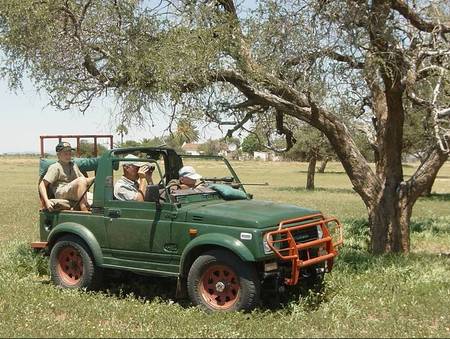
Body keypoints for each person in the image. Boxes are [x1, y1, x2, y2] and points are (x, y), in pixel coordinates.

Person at [39, 141, 94, 211]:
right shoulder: (55, 167)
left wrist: (97, 178)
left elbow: (84, 181)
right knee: (81, 180)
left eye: (70, 153)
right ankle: (84, 209)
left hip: (73, 192)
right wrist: (47, 201)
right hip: (61, 192)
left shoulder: (73, 165)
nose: (68, 155)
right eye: (65, 153)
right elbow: (42, 185)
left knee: (98, 199)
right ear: (58, 155)